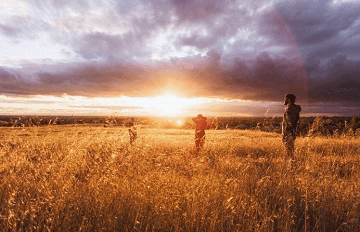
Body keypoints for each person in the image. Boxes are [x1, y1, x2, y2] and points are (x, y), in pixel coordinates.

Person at [282, 94, 302, 164]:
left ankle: (292, 165)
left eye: (285, 98)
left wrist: (289, 132)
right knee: (289, 149)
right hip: (289, 132)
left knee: (290, 150)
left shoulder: (291, 109)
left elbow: (292, 122)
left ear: (289, 99)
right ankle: (291, 164)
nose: (284, 100)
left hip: (289, 132)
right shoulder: (290, 108)